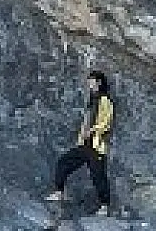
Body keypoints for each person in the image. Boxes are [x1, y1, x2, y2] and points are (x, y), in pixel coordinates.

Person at [46, 69, 114, 215]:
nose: (89, 84)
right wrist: (81, 138)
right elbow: (86, 121)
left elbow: (106, 123)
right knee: (64, 161)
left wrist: (92, 130)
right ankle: (59, 192)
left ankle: (105, 206)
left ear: (99, 82)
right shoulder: (92, 100)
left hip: (96, 147)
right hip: (85, 145)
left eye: (92, 81)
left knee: (98, 176)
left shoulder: (105, 100)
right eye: (89, 81)